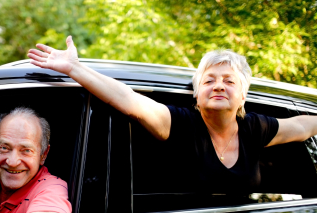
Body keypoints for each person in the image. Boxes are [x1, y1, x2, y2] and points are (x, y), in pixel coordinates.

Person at [27, 36, 317, 193]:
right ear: (196, 93)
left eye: (229, 81)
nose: (218, 85)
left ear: (243, 95)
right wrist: (74, 69)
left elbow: (303, 126)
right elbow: (128, 99)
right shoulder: (181, 124)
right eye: (208, 80)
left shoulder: (254, 128)